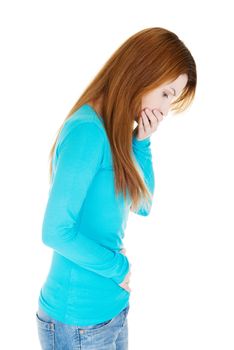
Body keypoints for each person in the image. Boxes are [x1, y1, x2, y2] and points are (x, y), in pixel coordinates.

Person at [35, 27, 197, 349]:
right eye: (166, 93)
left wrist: (142, 143)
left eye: (172, 99)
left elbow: (144, 205)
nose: (165, 110)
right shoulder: (87, 132)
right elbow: (55, 231)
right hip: (79, 322)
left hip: (110, 313)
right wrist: (118, 266)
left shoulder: (117, 131)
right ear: (144, 70)